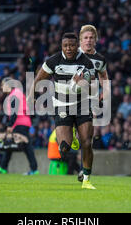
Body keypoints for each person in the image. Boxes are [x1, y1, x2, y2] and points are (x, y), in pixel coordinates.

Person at [29, 32, 96, 189]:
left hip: (82, 105)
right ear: (62, 46)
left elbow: (93, 85)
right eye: (66, 46)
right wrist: (31, 96)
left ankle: (86, 178)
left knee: (87, 142)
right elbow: (38, 80)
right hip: (61, 105)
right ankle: (71, 133)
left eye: (72, 45)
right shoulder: (53, 61)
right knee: (64, 148)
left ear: (77, 46)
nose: (69, 48)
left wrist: (83, 83)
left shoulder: (86, 62)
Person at [76, 24, 110, 182]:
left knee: (86, 139)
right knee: (71, 138)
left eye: (91, 38)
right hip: (68, 100)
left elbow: (104, 76)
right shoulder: (72, 55)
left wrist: (105, 91)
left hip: (88, 101)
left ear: (95, 40)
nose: (88, 41)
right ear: (80, 41)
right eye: (85, 38)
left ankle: (84, 170)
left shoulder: (100, 59)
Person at [0, 77, 38, 175]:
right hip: (23, 122)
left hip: (19, 123)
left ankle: (34, 169)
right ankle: (3, 167)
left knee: (21, 146)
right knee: (12, 145)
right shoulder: (17, 93)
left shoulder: (14, 95)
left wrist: (10, 125)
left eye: (3, 85)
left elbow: (14, 111)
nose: (1, 87)